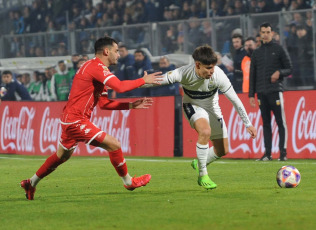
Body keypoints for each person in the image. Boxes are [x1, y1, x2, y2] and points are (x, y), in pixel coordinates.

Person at [20, 36, 163, 200]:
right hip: (75, 119)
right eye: (116, 51)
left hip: (70, 118)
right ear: (106, 51)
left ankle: (30, 183)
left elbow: (104, 104)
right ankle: (128, 182)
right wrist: (143, 81)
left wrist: (129, 105)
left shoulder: (95, 69)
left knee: (61, 157)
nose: (118, 55)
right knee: (114, 144)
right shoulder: (97, 67)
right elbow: (120, 87)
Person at [143, 45, 257, 190]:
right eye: (208, 68)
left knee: (223, 150)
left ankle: (199, 162)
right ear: (197, 65)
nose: (211, 71)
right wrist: (131, 84)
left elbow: (235, 100)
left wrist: (248, 124)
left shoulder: (219, 75)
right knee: (205, 131)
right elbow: (157, 81)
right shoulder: (183, 73)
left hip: (213, 107)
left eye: (213, 67)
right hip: (192, 105)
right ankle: (203, 174)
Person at [249, 22, 292, 161]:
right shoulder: (256, 53)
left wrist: (279, 72)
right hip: (261, 92)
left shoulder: (279, 49)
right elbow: (252, 74)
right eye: (263, 32)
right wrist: (251, 94)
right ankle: (268, 153)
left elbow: (290, 68)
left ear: (272, 33)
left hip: (275, 91)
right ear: (260, 34)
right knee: (266, 123)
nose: (266, 35)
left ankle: (283, 154)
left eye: (268, 32)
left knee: (280, 122)